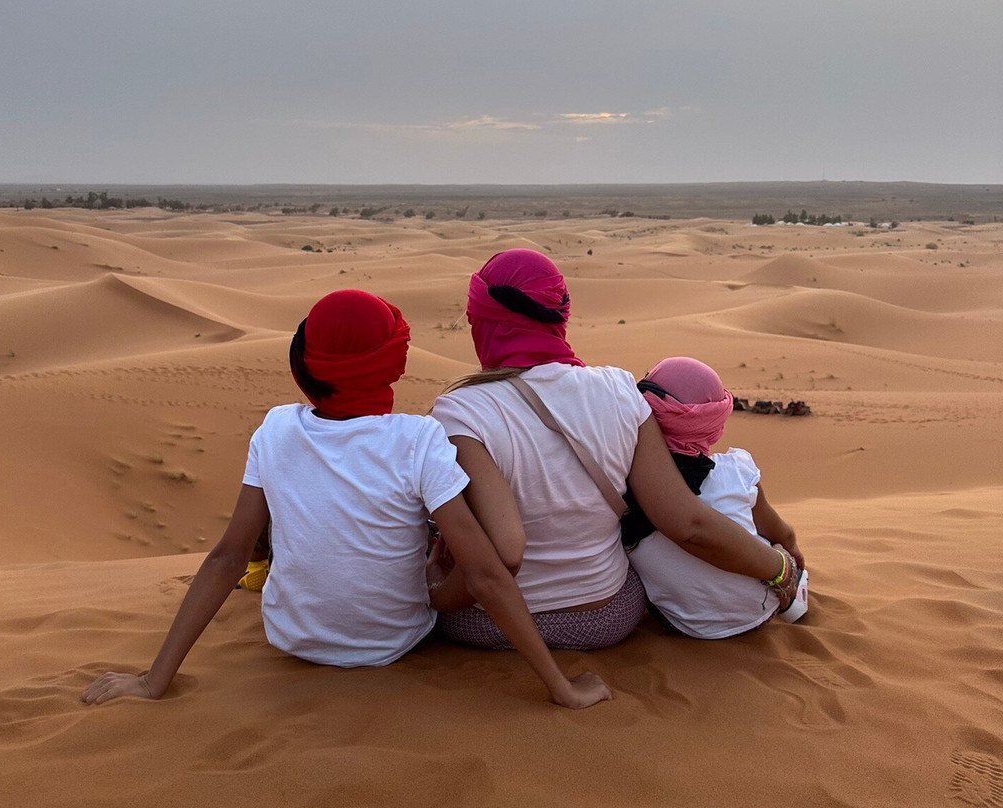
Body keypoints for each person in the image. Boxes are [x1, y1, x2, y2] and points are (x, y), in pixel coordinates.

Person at [82, 289, 610, 709]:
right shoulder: (417, 439)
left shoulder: (276, 429)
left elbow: (227, 556)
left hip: (292, 639)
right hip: (393, 647)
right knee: (434, 534)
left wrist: (153, 680)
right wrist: (562, 689)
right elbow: (487, 574)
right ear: (394, 362)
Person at [426, 249, 799, 650]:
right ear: (559, 314)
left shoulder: (459, 413)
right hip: (610, 616)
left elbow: (496, 554)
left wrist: (430, 592)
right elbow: (686, 523)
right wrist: (781, 568)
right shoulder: (621, 390)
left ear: (484, 321)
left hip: (493, 625)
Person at [628, 357, 804, 638]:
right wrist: (790, 552)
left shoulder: (625, 486)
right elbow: (780, 532)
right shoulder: (737, 471)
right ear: (713, 422)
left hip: (687, 625)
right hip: (759, 610)